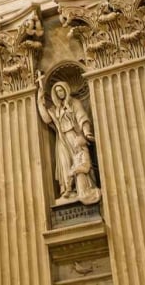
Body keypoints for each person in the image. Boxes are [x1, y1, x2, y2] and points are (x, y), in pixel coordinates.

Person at [36, 77, 101, 205]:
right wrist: (39, 101)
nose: (59, 93)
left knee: (80, 162)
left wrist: (86, 133)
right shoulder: (56, 109)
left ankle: (84, 188)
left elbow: (82, 118)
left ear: (66, 90)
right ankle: (68, 189)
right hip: (62, 139)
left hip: (75, 137)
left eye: (61, 90)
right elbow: (47, 119)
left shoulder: (74, 103)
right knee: (65, 163)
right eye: (57, 92)